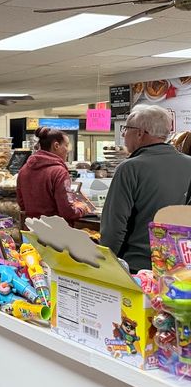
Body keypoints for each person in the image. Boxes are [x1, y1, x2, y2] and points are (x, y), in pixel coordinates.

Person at [102, 105, 191, 272]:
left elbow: (114, 228)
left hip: (138, 267)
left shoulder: (129, 168)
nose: (124, 135)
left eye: (126, 129)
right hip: (180, 267)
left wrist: (105, 264)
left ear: (140, 133)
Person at [16, 127, 86, 224]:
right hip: (55, 233)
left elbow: (22, 204)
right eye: (66, 145)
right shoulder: (59, 172)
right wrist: (81, 208)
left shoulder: (24, 170)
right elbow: (67, 212)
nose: (68, 150)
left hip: (32, 230)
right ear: (56, 145)